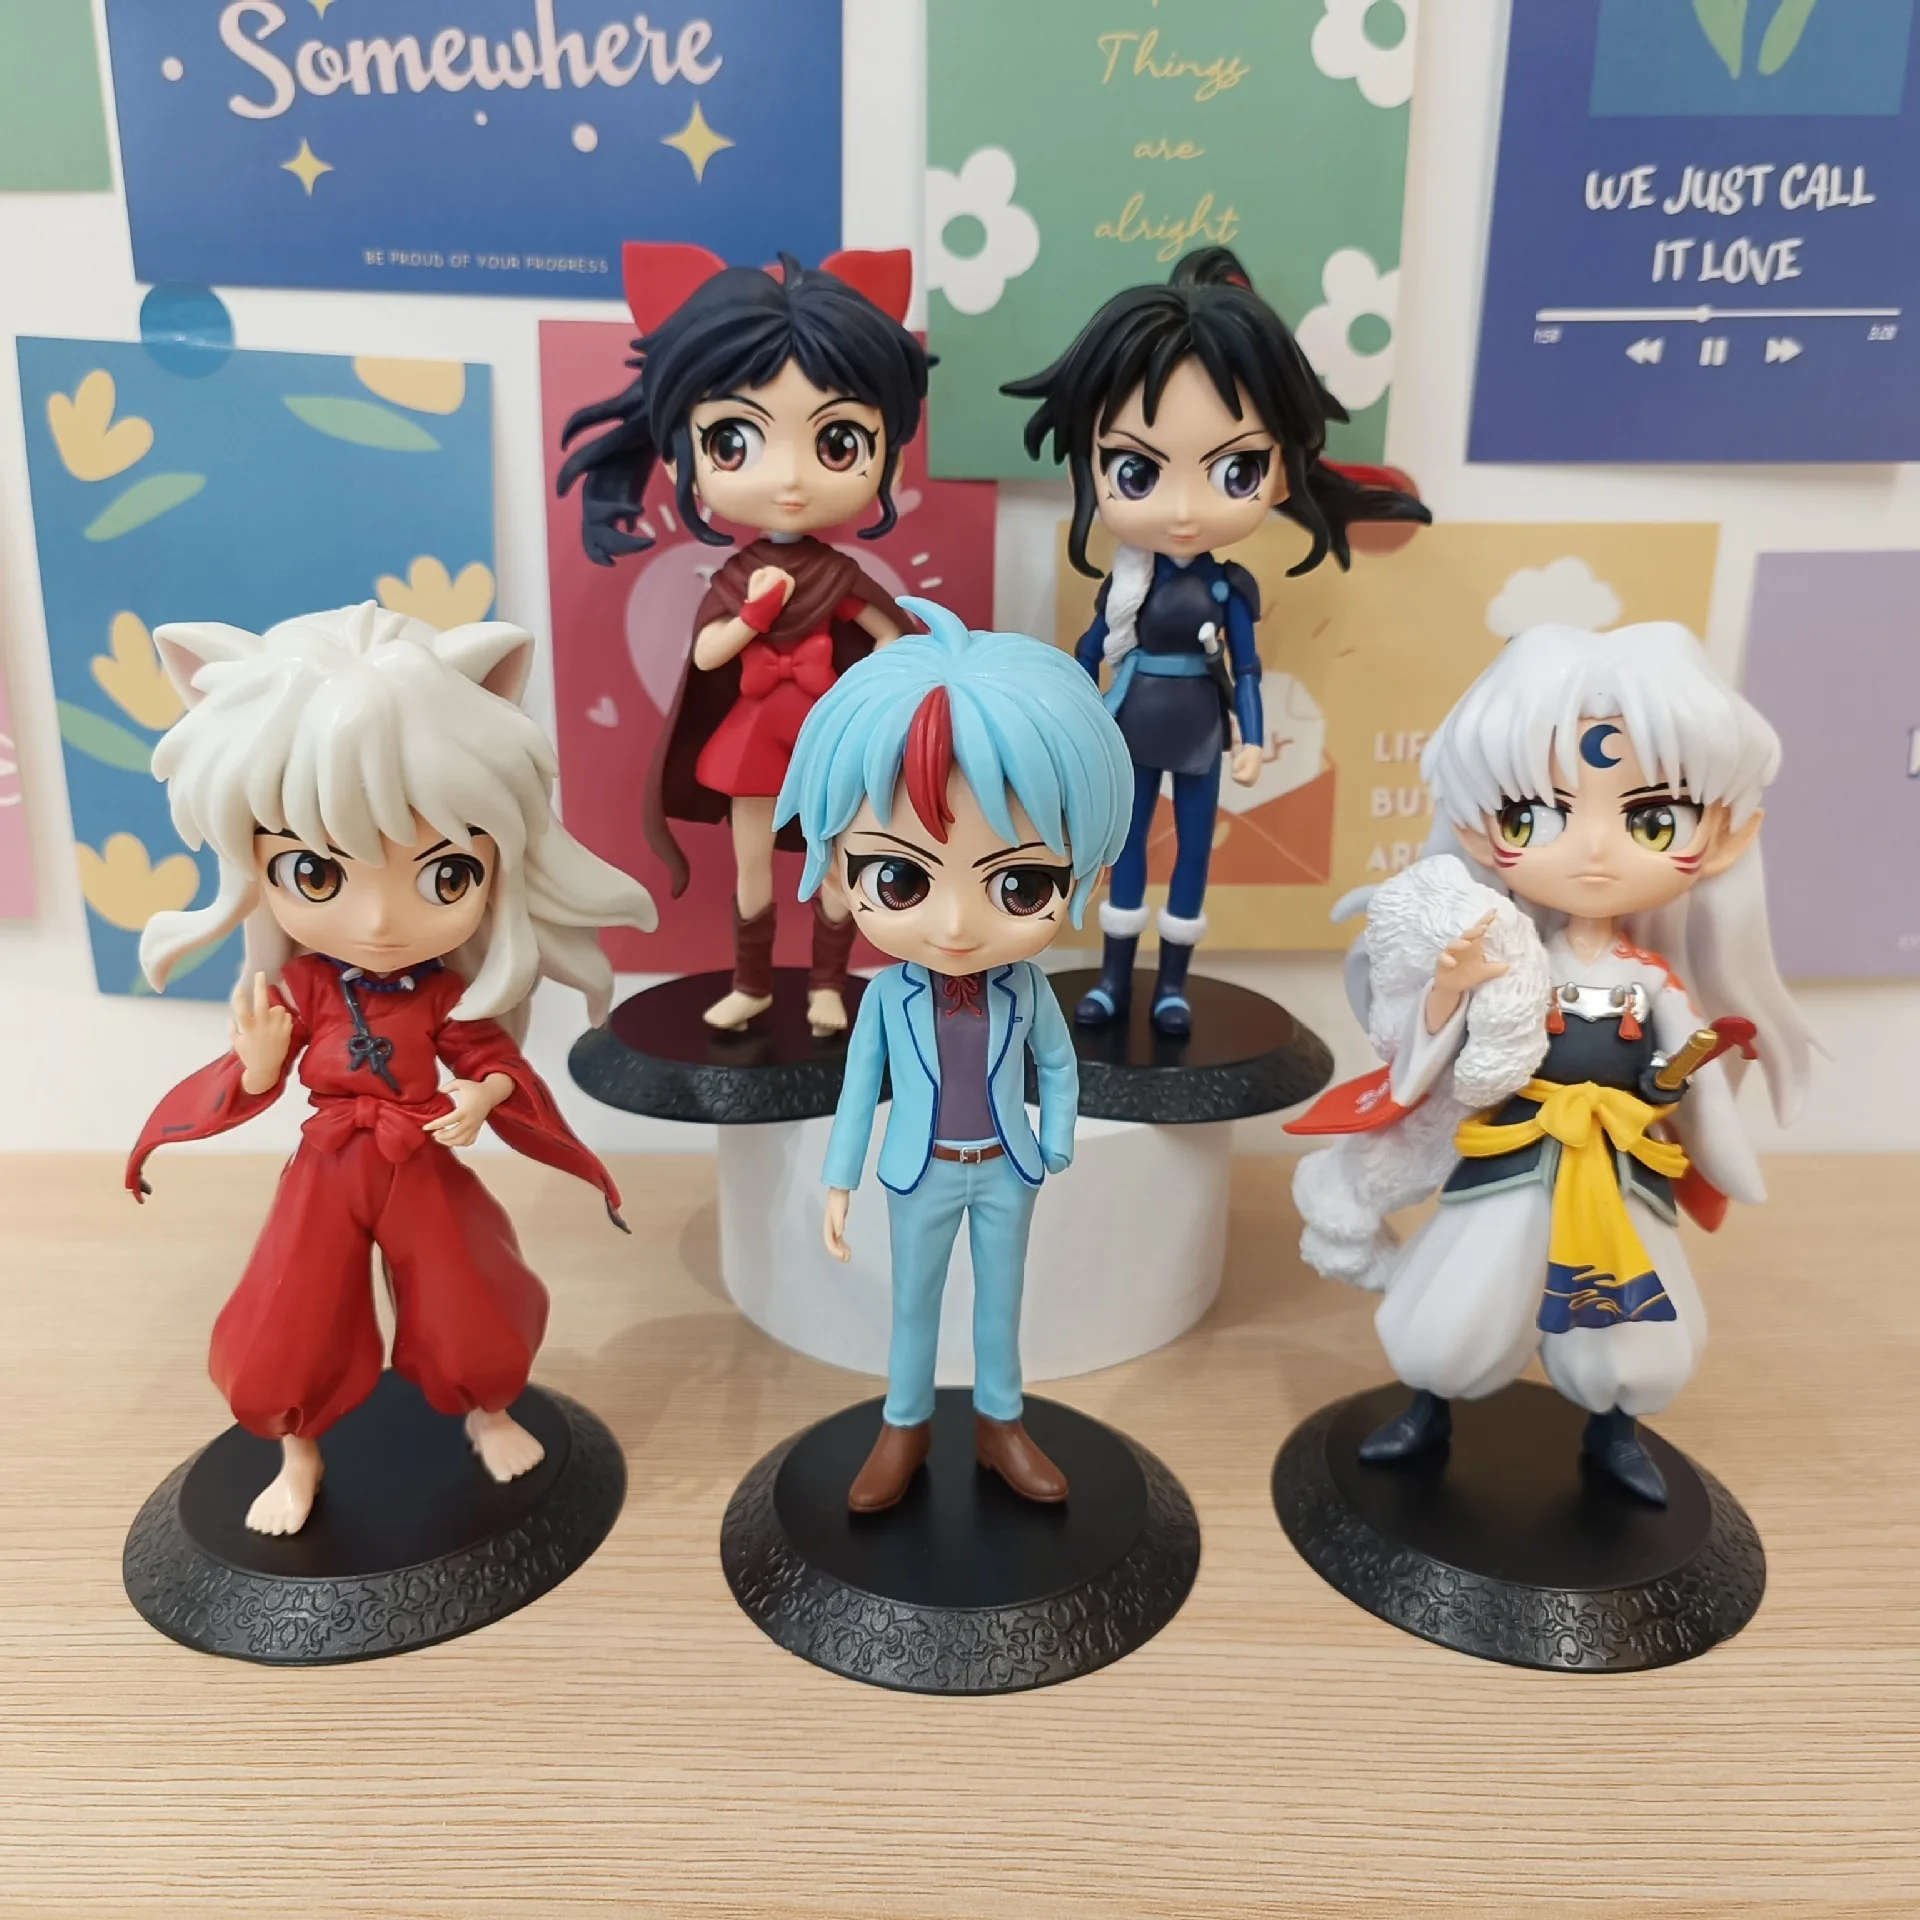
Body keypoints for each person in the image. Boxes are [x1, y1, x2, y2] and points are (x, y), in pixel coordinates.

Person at [127, 603, 657, 1535]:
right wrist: (259, 1066)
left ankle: (488, 1408)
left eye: (445, 877)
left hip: (418, 1155)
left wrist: (481, 1094)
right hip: (330, 1164)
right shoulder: (304, 986)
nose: (377, 922)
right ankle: (297, 1450)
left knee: (468, 1289)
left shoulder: (443, 995)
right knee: (291, 1306)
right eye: (318, 876)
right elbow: (253, 1071)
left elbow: (490, 1058)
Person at [1290, 622, 1815, 1502]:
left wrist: (1679, 1088)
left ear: (1725, 837)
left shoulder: (1652, 982)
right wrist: (1449, 990)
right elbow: (1441, 1055)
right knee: (1463, 1296)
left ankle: (1614, 1426)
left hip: (1613, 1163)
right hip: (1515, 1148)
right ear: (1476, 827)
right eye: (1536, 817)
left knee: (1627, 1315)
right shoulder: (1511, 958)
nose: (1595, 850)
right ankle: (1429, 1405)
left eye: (1651, 820)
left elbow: (1680, 1081)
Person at [1004, 245, 1428, 1034]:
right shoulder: (1125, 586)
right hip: (1130, 724)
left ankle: (1172, 985)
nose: (1183, 510)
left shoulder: (1230, 588)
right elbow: (1091, 650)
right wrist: (1068, 716)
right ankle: (1113, 978)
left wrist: (1253, 738)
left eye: (1235, 472)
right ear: (1090, 464)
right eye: (1138, 473)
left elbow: (1249, 668)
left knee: (1193, 855)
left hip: (1203, 730)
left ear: (1280, 472)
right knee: (1126, 851)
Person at [777, 598, 1133, 1512]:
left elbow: (1058, 1065)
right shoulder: (887, 998)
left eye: (1020, 883)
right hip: (920, 1170)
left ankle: (1000, 1424)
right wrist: (839, 1181)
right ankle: (904, 1426)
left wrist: (1055, 1143)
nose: (955, 926)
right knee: (914, 1305)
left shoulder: (1028, 989)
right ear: (839, 866)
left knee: (1001, 1306)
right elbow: (860, 1088)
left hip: (1006, 1167)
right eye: (899, 877)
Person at [558, 248, 929, 1035]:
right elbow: (706, 657)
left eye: (837, 443)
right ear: (686, 452)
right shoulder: (737, 577)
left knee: (837, 859)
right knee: (752, 865)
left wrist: (869, 692)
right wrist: (754, 619)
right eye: (735, 442)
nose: (790, 479)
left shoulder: (839, 575)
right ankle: (752, 982)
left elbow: (896, 640)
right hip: (756, 737)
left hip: (827, 740)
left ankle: (827, 983)